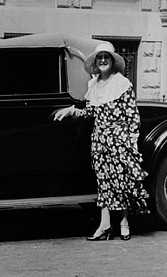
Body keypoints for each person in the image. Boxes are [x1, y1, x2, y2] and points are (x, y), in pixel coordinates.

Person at [54, 42, 148, 241]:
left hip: (119, 141)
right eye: (100, 57)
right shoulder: (94, 84)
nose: (103, 60)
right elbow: (90, 112)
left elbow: (133, 116)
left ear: (112, 61)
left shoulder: (122, 83)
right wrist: (71, 110)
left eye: (106, 57)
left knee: (120, 182)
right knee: (103, 183)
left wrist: (130, 142)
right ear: (96, 62)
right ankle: (104, 225)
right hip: (99, 142)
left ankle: (123, 222)